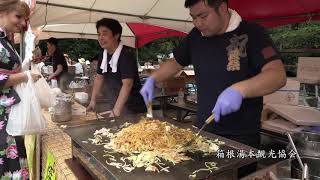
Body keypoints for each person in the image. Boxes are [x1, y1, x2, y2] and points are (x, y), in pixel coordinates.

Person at [140, 0, 286, 177]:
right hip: (203, 131)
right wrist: (153, 79)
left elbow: (277, 75)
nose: (198, 23)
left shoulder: (252, 33)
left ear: (222, 8)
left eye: (203, 16)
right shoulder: (196, 36)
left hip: (240, 139)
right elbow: (175, 62)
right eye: (193, 18)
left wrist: (240, 90)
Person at [0, 0, 41, 179]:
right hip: (2, 116)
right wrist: (25, 77)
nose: (23, 23)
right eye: (18, 16)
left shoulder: (5, 39)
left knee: (14, 164)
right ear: (2, 11)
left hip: (9, 113)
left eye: (24, 19)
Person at [87, 18, 146, 117]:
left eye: (105, 33)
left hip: (134, 109)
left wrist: (116, 111)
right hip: (116, 104)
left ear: (116, 35)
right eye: (99, 34)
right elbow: (99, 77)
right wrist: (93, 101)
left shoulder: (126, 55)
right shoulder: (103, 54)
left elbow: (127, 84)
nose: (101, 38)